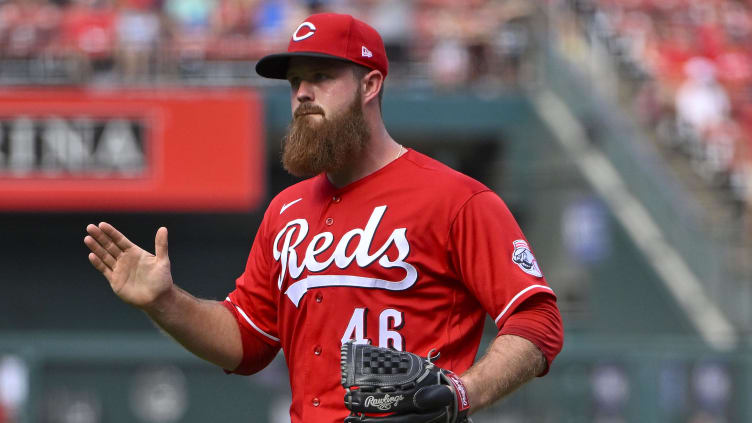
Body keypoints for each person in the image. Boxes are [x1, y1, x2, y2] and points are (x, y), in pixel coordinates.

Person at [83, 12, 564, 423]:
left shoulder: (456, 199)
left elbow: (537, 319)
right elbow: (247, 340)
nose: (303, 94)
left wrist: (465, 393)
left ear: (371, 84)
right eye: (295, 81)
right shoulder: (286, 210)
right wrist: (164, 302)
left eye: (322, 77)